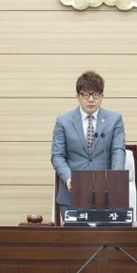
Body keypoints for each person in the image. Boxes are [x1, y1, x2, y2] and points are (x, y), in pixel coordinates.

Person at [51, 70, 126, 217]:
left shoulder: (115, 119)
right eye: (85, 95)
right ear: (78, 96)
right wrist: (69, 178)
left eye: (95, 95)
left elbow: (118, 151)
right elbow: (57, 156)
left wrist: (115, 180)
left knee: (107, 233)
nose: (91, 100)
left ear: (102, 96)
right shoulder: (63, 121)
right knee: (74, 233)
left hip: (106, 194)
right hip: (72, 194)